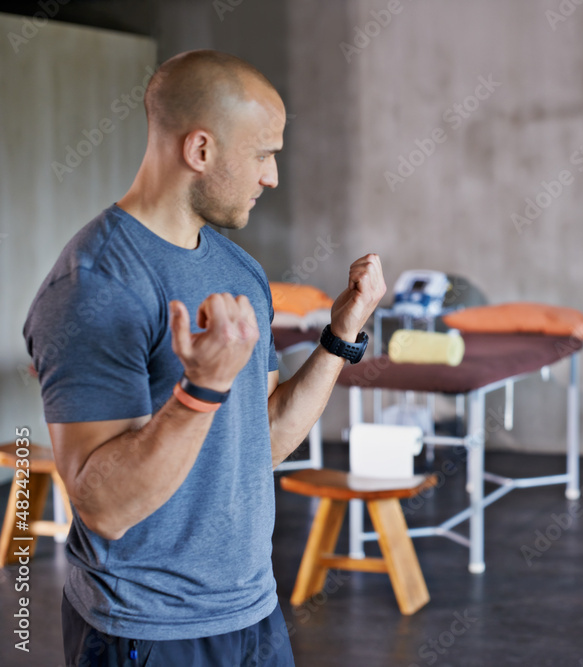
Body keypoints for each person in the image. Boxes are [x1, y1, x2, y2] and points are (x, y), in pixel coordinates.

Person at [23, 50, 385, 666]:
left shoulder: (238, 268)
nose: (272, 176)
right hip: (146, 630)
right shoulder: (94, 283)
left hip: (253, 613)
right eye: (263, 154)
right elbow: (103, 508)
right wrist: (201, 391)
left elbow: (264, 439)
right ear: (200, 151)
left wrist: (340, 337)